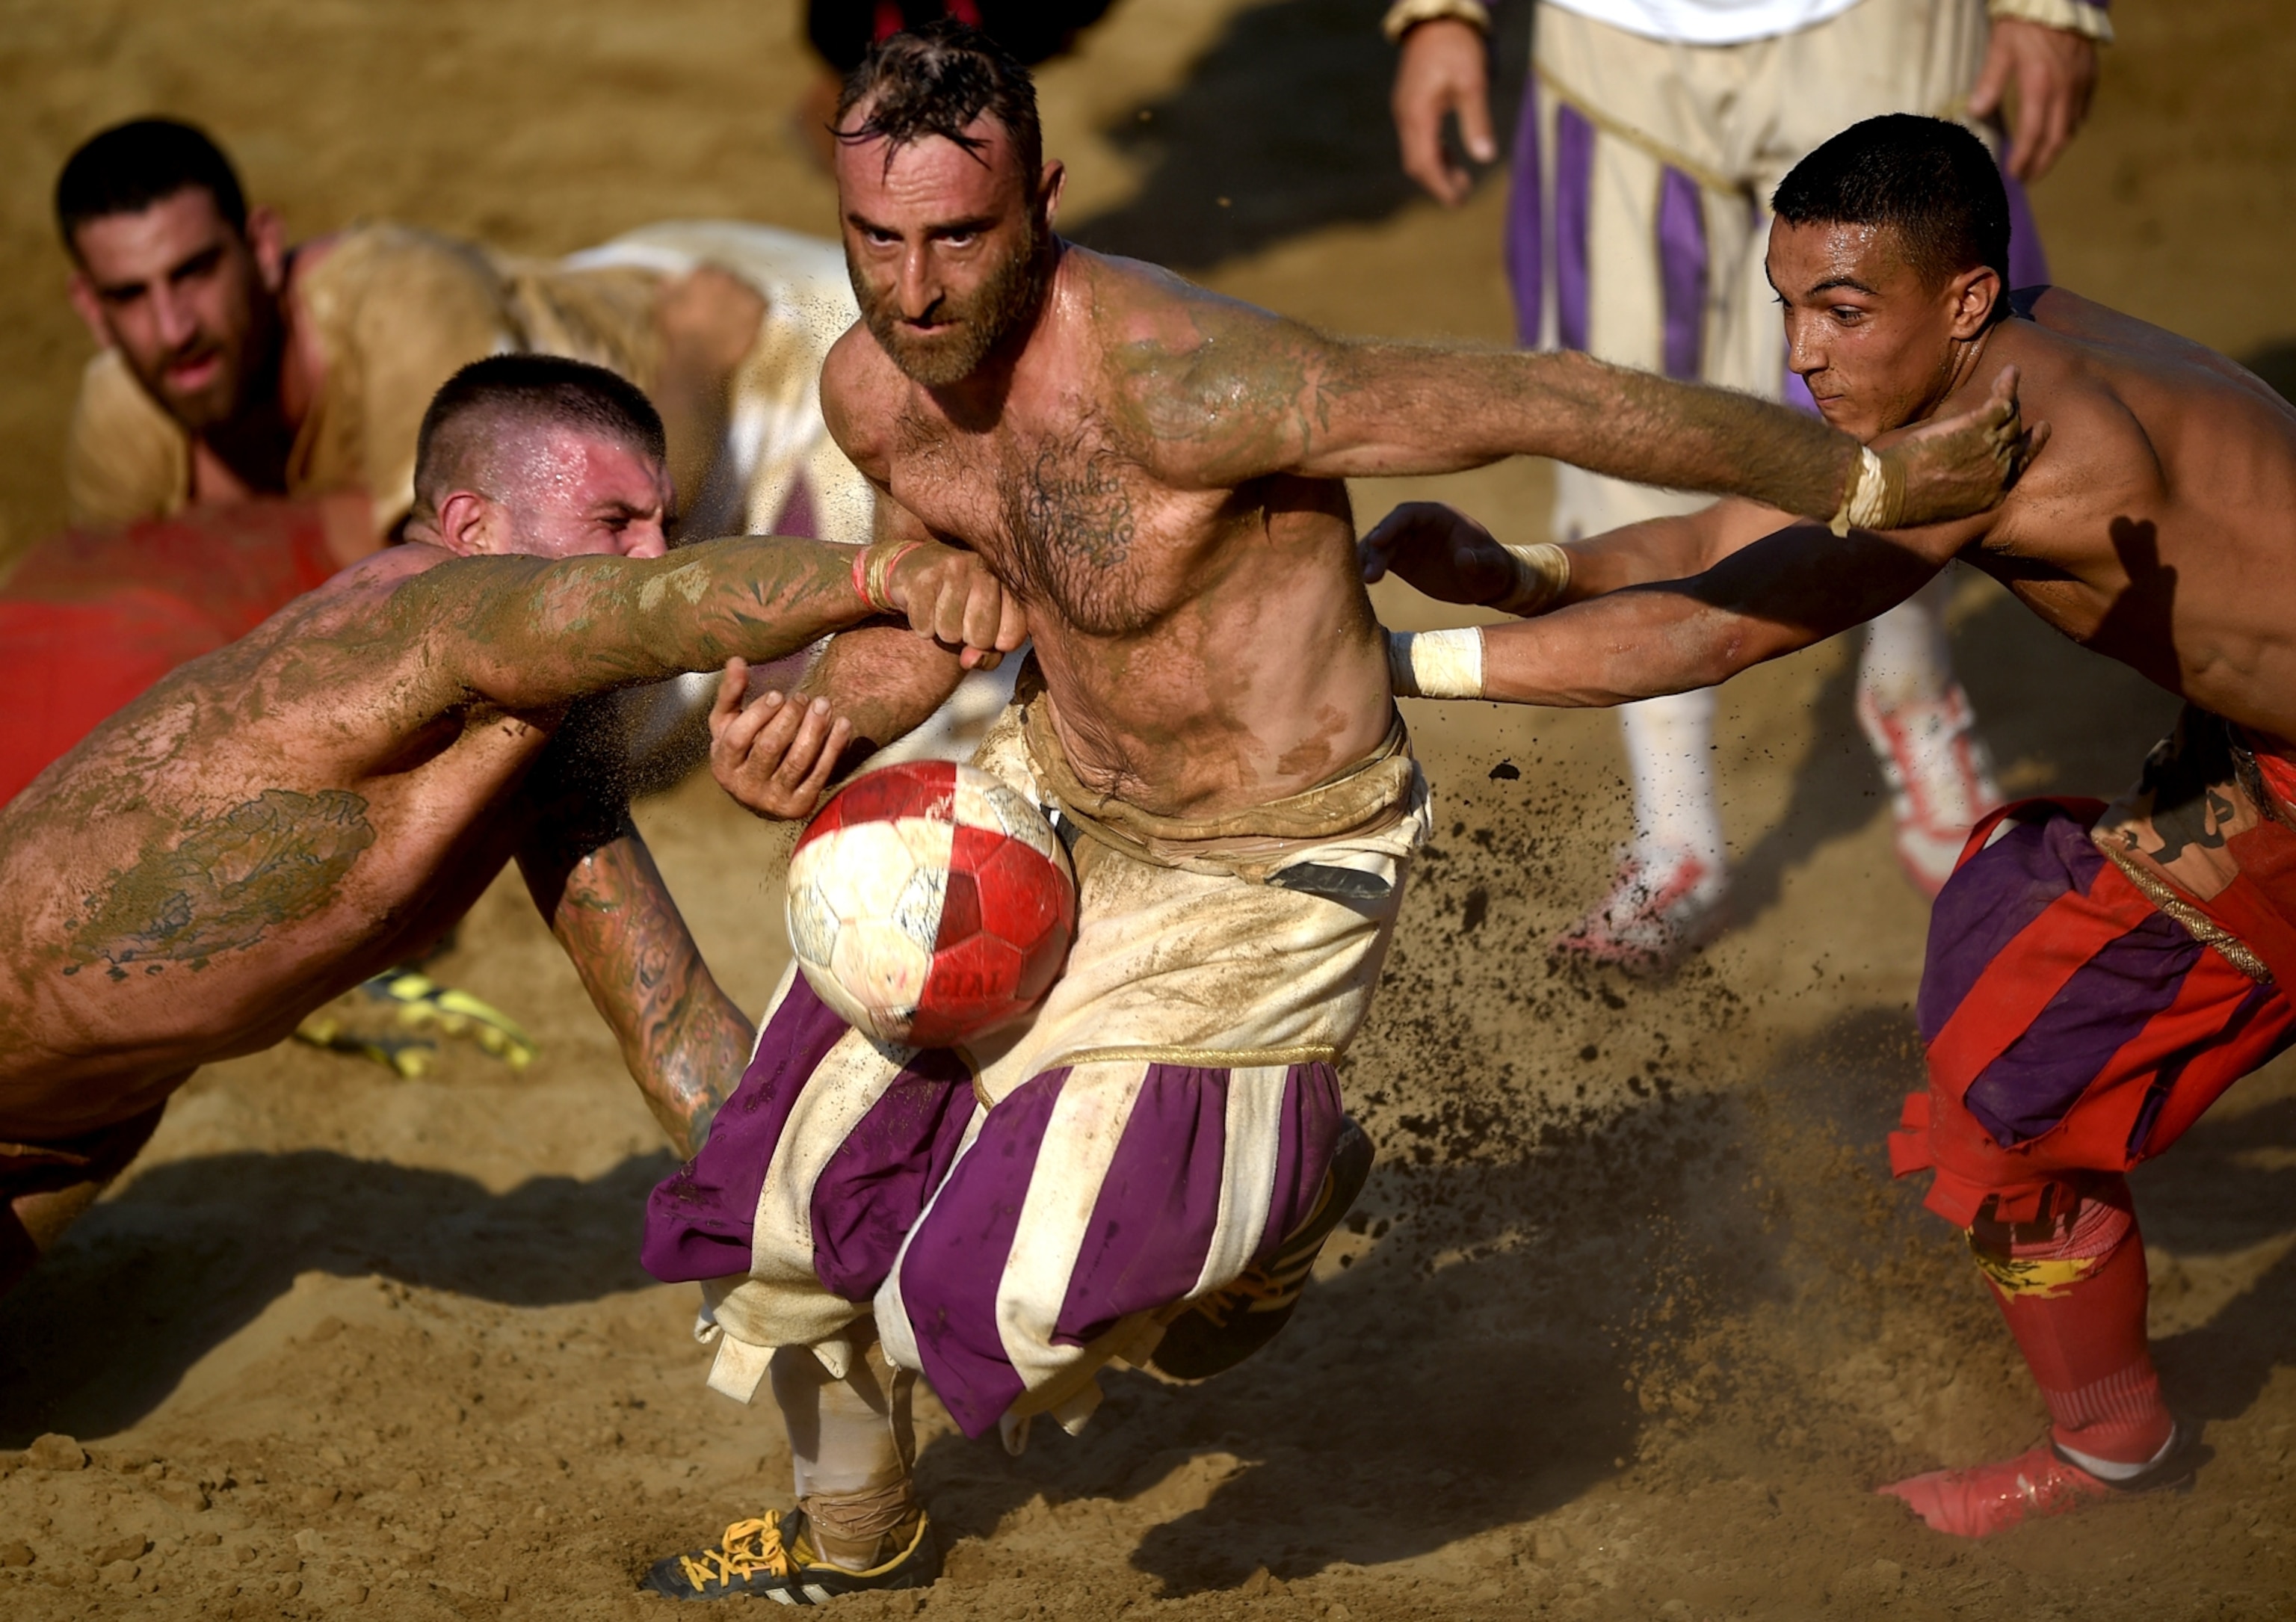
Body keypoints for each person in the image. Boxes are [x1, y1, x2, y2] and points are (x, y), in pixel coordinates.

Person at [631, 25, 2026, 1602]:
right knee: (787, 1192)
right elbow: (934, 612)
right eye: (876, 242)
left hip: (1269, 860)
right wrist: (833, 709)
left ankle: (1276, 1197)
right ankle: (852, 1534)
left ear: (1046, 203)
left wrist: (1859, 481)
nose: (918, 288)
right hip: (1051, 797)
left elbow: (1547, 396)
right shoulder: (875, 387)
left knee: (1018, 1284)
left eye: (961, 235)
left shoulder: (1197, 381)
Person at [1362, 114, 2296, 1536]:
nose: (1802, 351)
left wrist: (1394, 671)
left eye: (1843, 312)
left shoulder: (2005, 446)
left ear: (1964, 298)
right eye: (1789, 303)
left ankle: (2109, 1450)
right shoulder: (2024, 339)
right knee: (2015, 978)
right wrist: (1525, 571)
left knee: (2004, 1098)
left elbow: (1710, 633)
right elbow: (1728, 533)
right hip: (2259, 755)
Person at [0, 352, 1019, 1303]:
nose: (651, 552)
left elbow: (674, 1035)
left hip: (76, 1126)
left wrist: (877, 1235)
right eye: (615, 521)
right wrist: (886, 577)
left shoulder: (538, 747)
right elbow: (663, 605)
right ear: (473, 528)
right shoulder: (419, 613)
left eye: (661, 524)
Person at [1386, 0, 2108, 970]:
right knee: (1623, 419)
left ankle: (1911, 688)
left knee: (1908, 390)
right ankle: (1676, 826)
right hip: (1618, 42)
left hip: (1876, 24)